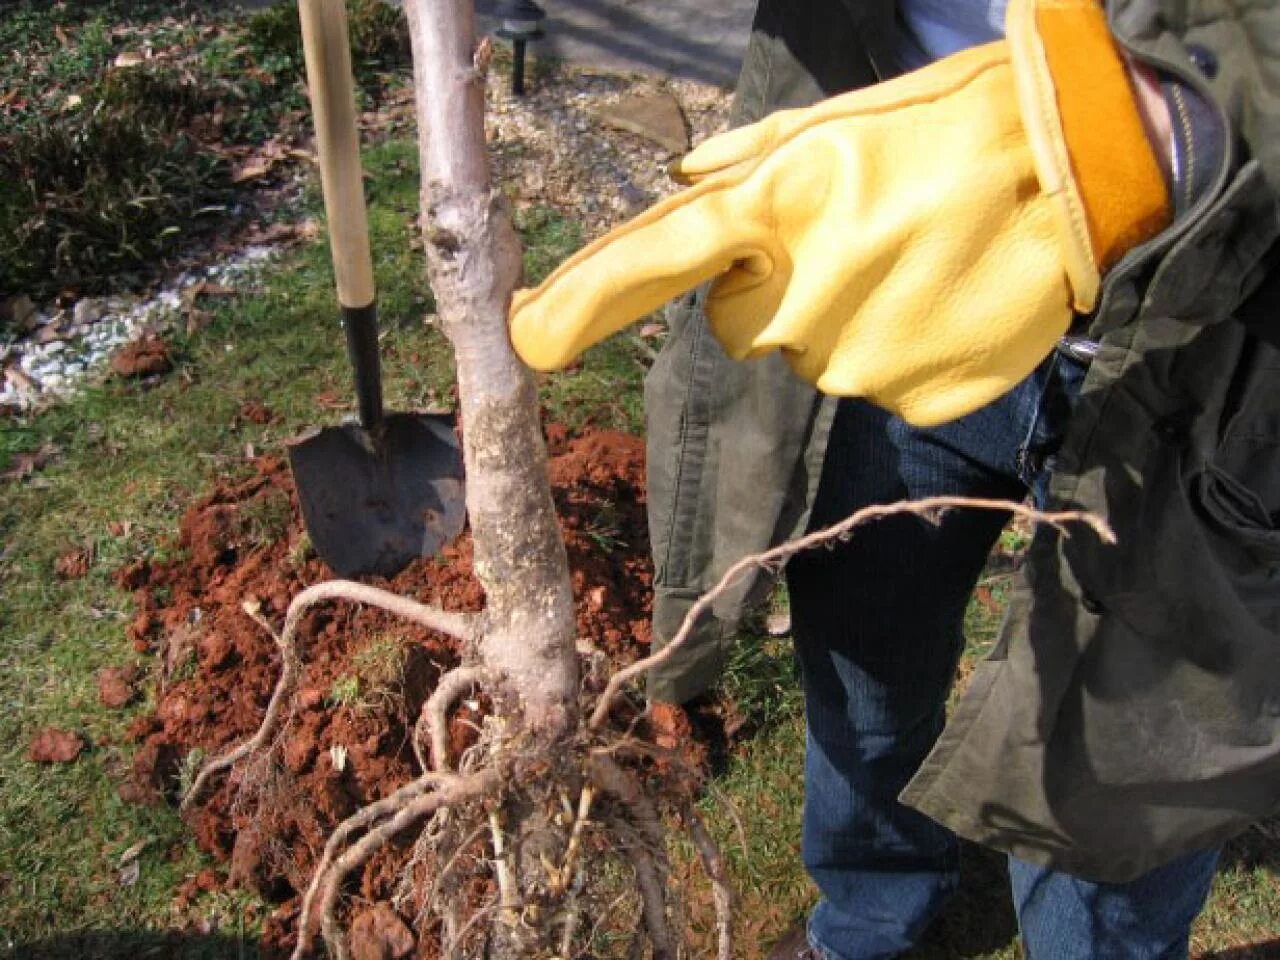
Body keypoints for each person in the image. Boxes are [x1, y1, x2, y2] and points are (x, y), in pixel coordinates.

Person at [509, 0, 1280, 956]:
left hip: (1202, 332)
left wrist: (1126, 139)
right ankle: (873, 917)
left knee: (1119, 736)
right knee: (863, 629)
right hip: (921, 258)